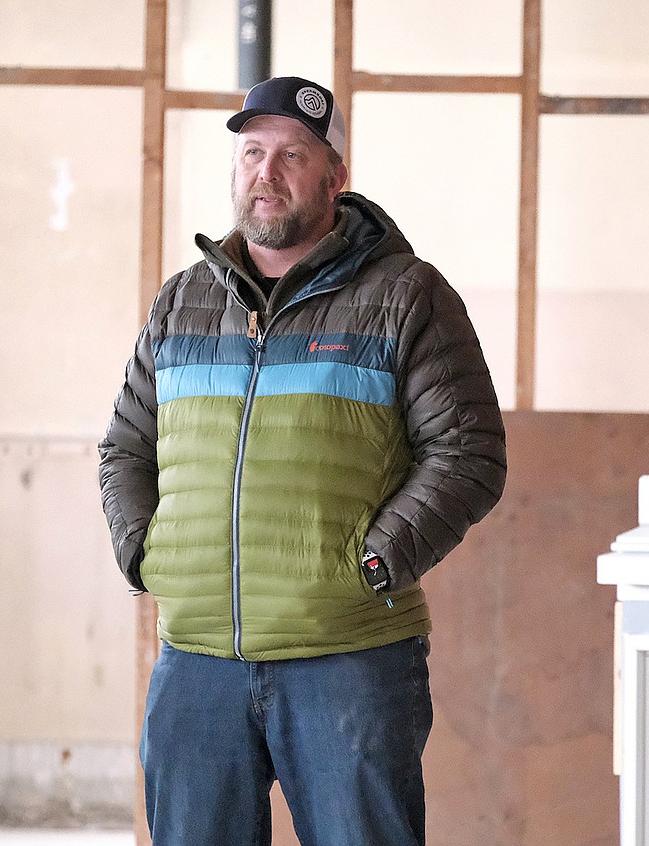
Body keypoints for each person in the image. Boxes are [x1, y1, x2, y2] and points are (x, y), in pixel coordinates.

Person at [98, 75, 506, 846]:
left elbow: (470, 451)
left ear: (335, 177)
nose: (267, 171)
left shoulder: (405, 296)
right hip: (197, 661)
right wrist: (143, 550)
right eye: (253, 152)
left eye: (293, 154)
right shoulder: (182, 302)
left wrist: (377, 561)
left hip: (347, 658)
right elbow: (126, 445)